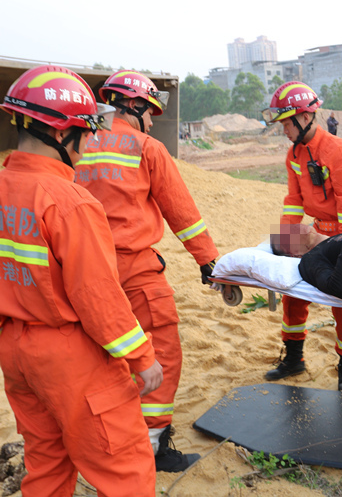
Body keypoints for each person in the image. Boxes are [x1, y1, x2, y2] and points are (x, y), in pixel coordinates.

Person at [0, 65, 163, 496]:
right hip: (71, 357)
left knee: (47, 467)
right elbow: (98, 298)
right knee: (125, 467)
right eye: (86, 130)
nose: (92, 142)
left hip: (15, 351)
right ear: (60, 133)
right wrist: (142, 358)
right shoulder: (69, 201)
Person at [75, 69, 218, 472]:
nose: (153, 120)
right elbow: (181, 212)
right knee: (161, 350)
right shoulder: (145, 147)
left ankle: (110, 435)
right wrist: (208, 262)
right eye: (150, 111)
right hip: (135, 270)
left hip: (83, 270)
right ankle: (152, 444)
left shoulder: (79, 143)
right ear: (134, 106)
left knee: (107, 355)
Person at [263, 81, 342, 392]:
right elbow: (294, 200)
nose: (284, 130)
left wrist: (340, 248)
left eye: (286, 123)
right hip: (316, 229)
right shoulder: (294, 154)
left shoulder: (340, 152)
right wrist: (286, 237)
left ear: (305, 117)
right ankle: (294, 358)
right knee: (291, 289)